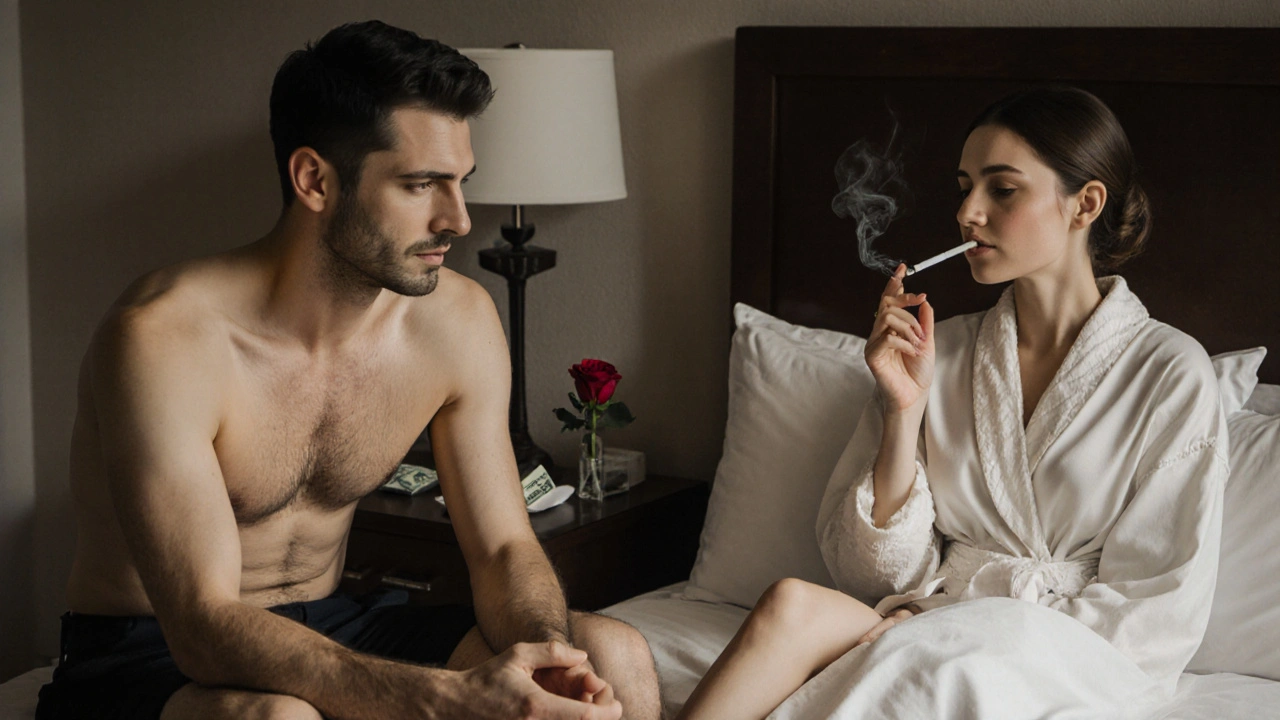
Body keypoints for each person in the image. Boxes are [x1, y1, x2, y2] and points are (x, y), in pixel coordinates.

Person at [35, 20, 660, 720]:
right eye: (421, 185)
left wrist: (549, 660)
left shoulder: (456, 322)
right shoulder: (164, 340)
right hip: (150, 648)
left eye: (461, 183)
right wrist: (446, 699)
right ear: (315, 181)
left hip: (332, 621)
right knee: (280, 719)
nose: (457, 219)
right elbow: (202, 624)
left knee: (613, 653)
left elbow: (503, 549)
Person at [676, 86, 1227, 719]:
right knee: (789, 605)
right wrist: (901, 410)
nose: (968, 212)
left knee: (935, 676)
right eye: (964, 188)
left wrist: (958, 630)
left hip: (1070, 654)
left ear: (1085, 204)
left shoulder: (1169, 372)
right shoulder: (946, 351)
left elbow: (1154, 613)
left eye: (1003, 189)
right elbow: (871, 578)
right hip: (932, 619)